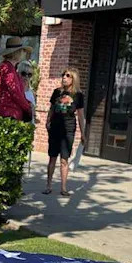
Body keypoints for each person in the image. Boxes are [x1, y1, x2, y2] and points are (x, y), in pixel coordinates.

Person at [44, 68, 88, 197]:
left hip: (68, 129)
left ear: (73, 79)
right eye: (63, 75)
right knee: (52, 157)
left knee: (64, 159)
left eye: (67, 76)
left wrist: (83, 133)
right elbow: (52, 108)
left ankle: (63, 188)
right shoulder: (57, 92)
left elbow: (80, 115)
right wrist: (48, 121)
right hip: (55, 127)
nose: (64, 77)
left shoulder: (78, 95)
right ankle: (48, 185)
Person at [0, 36, 33, 123]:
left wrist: (28, 103)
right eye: (22, 50)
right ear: (17, 52)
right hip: (9, 113)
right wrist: (27, 107)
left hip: (9, 112)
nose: (24, 53)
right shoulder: (8, 68)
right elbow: (15, 92)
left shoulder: (9, 68)